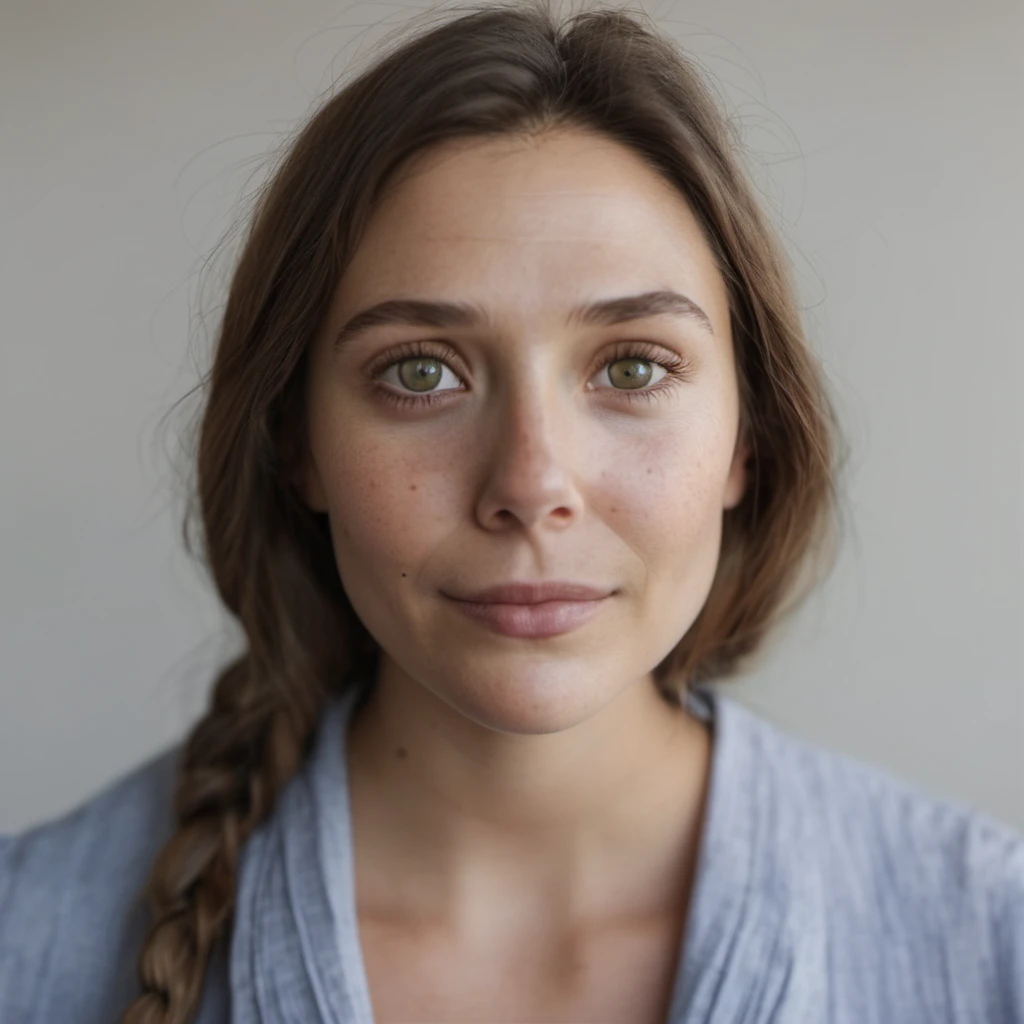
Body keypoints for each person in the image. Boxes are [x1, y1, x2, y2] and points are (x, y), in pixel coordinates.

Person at [1, 1, 1021, 1022]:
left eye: (632, 366)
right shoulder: (27, 939)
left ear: (745, 441)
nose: (531, 484)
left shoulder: (990, 938)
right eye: (419, 372)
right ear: (294, 444)